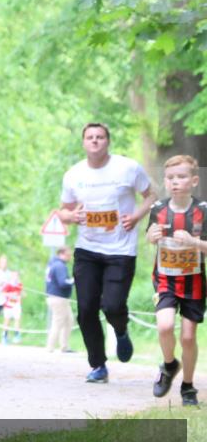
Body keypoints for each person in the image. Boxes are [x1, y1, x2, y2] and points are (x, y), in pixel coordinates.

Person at [58, 122, 154, 384]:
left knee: (112, 305)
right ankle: (98, 365)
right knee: (86, 308)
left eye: (100, 137)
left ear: (108, 142)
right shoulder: (74, 175)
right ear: (84, 143)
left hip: (121, 249)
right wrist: (71, 216)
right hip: (87, 248)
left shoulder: (127, 168)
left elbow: (151, 195)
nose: (95, 141)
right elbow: (63, 212)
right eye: (90, 137)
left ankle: (121, 330)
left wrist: (135, 217)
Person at [147, 155, 205, 407]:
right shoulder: (158, 209)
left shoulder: (202, 211)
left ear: (194, 180)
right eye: (170, 178)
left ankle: (188, 387)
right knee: (165, 326)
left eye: (181, 177)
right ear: (165, 181)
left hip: (194, 281)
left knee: (189, 338)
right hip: (165, 280)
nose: (175, 182)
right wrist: (151, 235)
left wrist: (194, 243)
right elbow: (149, 237)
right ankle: (170, 364)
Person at [45, 246, 75, 353]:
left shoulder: (53, 264)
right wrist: (73, 280)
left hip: (58, 298)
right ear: (61, 254)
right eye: (68, 255)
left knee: (69, 320)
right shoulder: (60, 266)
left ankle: (64, 346)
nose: (69, 257)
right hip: (58, 298)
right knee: (57, 322)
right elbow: (63, 283)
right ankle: (50, 347)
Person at [2, 270, 24, 344]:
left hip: (16, 305)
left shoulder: (19, 285)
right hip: (8, 305)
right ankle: (5, 336)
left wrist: (21, 295)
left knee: (17, 319)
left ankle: (16, 335)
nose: (15, 277)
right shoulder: (8, 285)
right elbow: (3, 293)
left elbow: (21, 293)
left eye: (16, 276)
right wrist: (11, 294)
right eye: (14, 276)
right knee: (7, 320)